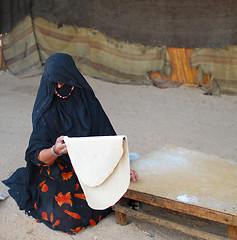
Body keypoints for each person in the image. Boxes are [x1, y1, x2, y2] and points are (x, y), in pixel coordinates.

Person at [3, 53, 139, 234]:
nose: (59, 86)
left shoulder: (86, 99)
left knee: (120, 189)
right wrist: (55, 150)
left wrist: (121, 166)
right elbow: (35, 156)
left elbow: (106, 135)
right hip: (60, 168)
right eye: (55, 82)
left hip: (90, 162)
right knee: (66, 216)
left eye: (63, 80)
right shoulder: (47, 108)